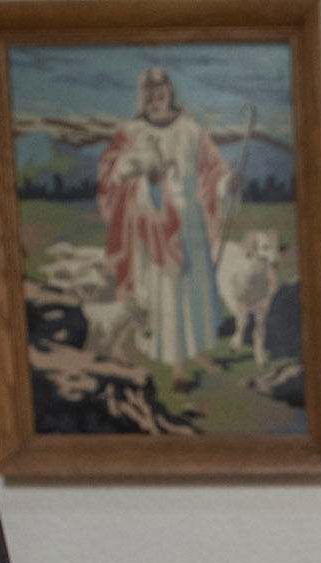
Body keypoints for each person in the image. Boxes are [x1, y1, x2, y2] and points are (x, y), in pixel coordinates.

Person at [96, 66, 230, 376]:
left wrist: (226, 183)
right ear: (142, 99)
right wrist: (146, 181)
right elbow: (110, 174)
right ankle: (175, 365)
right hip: (152, 223)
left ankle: (201, 352)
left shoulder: (190, 131)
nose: (157, 101)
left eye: (161, 94)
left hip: (189, 223)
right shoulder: (131, 133)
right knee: (165, 292)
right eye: (150, 97)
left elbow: (212, 169)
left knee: (194, 289)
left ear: (170, 92)